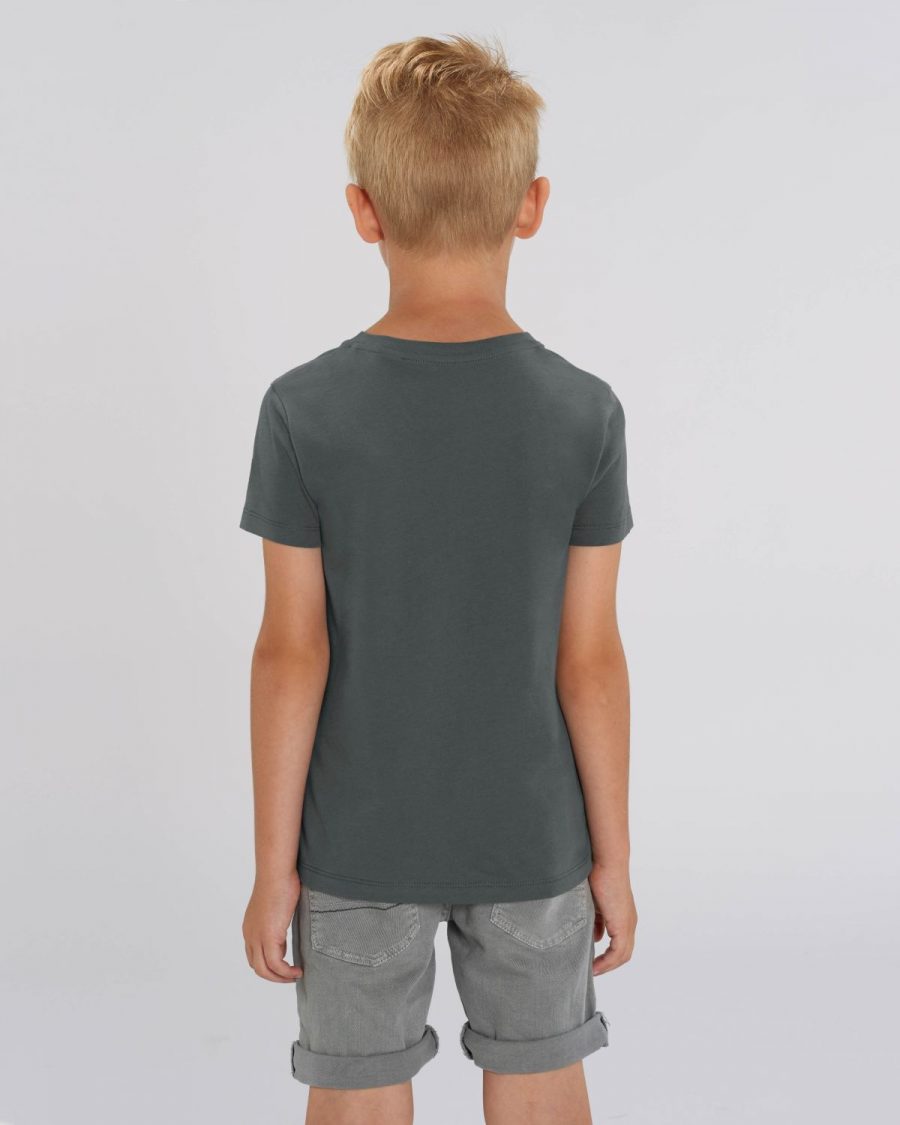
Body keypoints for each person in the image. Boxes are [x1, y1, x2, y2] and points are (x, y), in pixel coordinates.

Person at [239, 34, 637, 1125]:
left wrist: (275, 868)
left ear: (363, 211)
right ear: (532, 205)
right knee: (545, 1090)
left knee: (357, 1100)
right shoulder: (584, 413)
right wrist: (611, 858)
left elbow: (292, 652)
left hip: (356, 848)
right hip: (534, 844)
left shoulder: (303, 411)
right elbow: (590, 660)